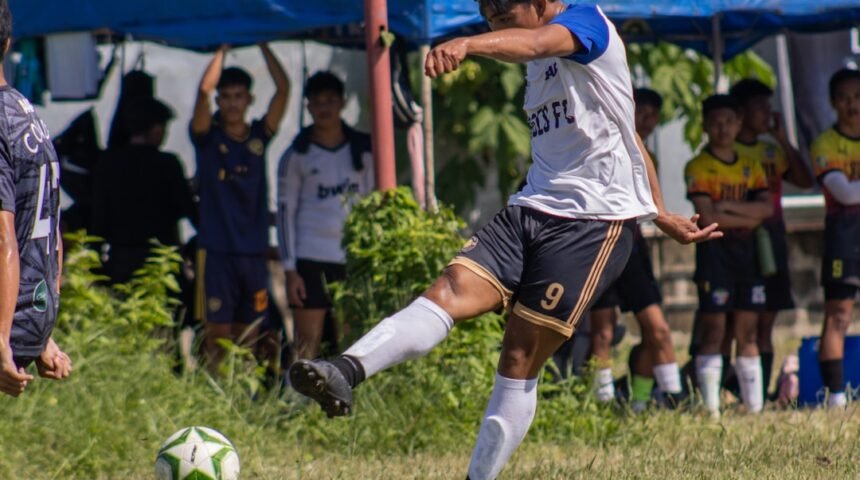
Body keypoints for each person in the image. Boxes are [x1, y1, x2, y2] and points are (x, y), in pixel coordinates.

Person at [290, 2, 719, 478]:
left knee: (518, 354)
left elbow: (536, 45)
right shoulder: (537, 55)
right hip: (531, 207)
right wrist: (660, 210)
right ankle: (345, 370)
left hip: (592, 224)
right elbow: (627, 135)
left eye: (503, 11)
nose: (493, 21)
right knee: (448, 289)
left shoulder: (586, 22)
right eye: (487, 14)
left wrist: (467, 44)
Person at [190, 44, 289, 372]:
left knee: (250, 336)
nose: (233, 103)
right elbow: (203, 91)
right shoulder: (207, 139)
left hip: (253, 254)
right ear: (219, 101)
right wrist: (223, 47)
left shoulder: (260, 136)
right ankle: (211, 390)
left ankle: (241, 395)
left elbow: (284, 89)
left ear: (249, 99)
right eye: (227, 97)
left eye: (239, 96)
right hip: (216, 253)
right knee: (217, 336)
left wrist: (263, 43)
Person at [588, 87, 683, 411]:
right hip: (598, 247)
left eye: (653, 116)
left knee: (657, 328)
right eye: (641, 111)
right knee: (602, 332)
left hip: (632, 250)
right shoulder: (600, 147)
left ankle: (664, 399)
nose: (647, 120)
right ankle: (603, 405)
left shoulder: (648, 157)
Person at [685, 94, 773, 417]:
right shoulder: (698, 167)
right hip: (714, 256)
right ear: (706, 126)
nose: (723, 129)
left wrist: (727, 207)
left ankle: (755, 409)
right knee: (715, 329)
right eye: (716, 122)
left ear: (738, 124)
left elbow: (766, 209)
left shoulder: (751, 166)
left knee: (748, 331)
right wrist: (746, 215)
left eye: (728, 122)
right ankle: (710, 409)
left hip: (748, 256)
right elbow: (708, 219)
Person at [0, 0, 72, 397]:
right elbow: (48, 228)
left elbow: (4, 239)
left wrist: (2, 338)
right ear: (8, 43)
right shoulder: (28, 114)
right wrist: (41, 329)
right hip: (30, 313)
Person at [277, 71, 374, 361]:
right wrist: (290, 270)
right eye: (317, 102)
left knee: (352, 343)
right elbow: (285, 213)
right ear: (308, 106)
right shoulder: (297, 154)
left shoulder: (363, 150)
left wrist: (371, 257)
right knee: (306, 344)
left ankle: (346, 389)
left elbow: (375, 204)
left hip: (353, 258)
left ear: (342, 103)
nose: (324, 108)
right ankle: (295, 390)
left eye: (330, 100)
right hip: (310, 259)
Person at [730, 78, 813, 400]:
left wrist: (782, 139)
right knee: (737, 322)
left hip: (773, 238)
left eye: (768, 106)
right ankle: (735, 386)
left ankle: (760, 391)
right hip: (738, 242)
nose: (767, 113)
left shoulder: (771, 151)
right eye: (759, 107)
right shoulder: (728, 152)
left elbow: (805, 180)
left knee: (767, 319)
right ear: (742, 112)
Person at [92, 97, 195, 284]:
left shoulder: (108, 163)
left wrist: (95, 263)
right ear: (156, 129)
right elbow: (188, 209)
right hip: (160, 260)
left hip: (121, 258)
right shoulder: (167, 164)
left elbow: (98, 217)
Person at [810, 68, 860, 409]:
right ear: (832, 102)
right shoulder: (825, 144)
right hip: (844, 238)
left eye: (857, 97)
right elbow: (845, 193)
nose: (852, 104)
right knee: (839, 314)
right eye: (844, 98)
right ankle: (836, 400)